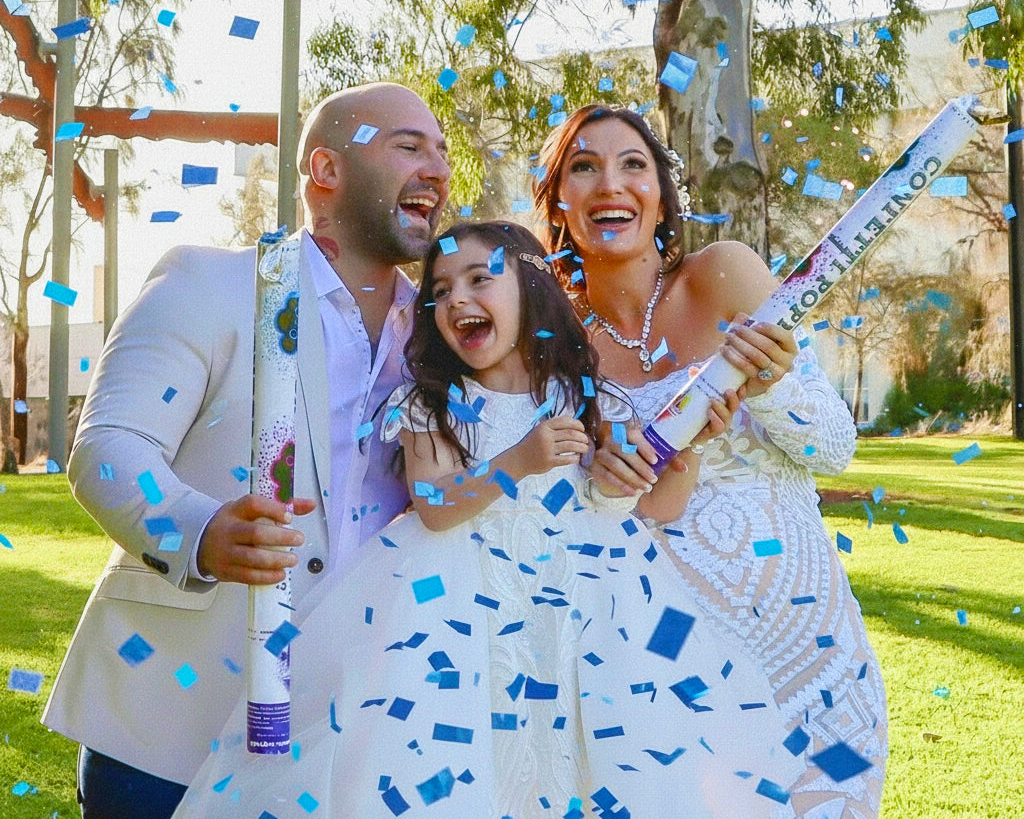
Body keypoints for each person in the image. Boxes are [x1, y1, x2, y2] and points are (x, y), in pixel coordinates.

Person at [171, 222, 802, 819]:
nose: (456, 299)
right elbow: (435, 508)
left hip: (581, 613)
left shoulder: (589, 397)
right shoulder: (435, 403)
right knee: (467, 762)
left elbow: (642, 507)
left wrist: (686, 452)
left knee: (584, 759)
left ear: (531, 289)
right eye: (440, 290)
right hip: (457, 616)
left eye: (479, 279)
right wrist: (516, 461)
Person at [41, 83, 451, 819]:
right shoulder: (209, 284)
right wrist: (200, 530)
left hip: (352, 733)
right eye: (409, 146)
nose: (437, 168)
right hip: (172, 726)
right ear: (326, 169)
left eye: (442, 151)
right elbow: (107, 446)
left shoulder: (442, 332)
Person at [534, 104, 888, 819]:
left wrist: (776, 386)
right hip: (667, 665)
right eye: (584, 167)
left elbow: (833, 448)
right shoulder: (549, 339)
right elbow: (570, 522)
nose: (612, 184)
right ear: (558, 202)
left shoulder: (725, 273)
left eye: (633, 165)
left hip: (807, 642)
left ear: (662, 194)